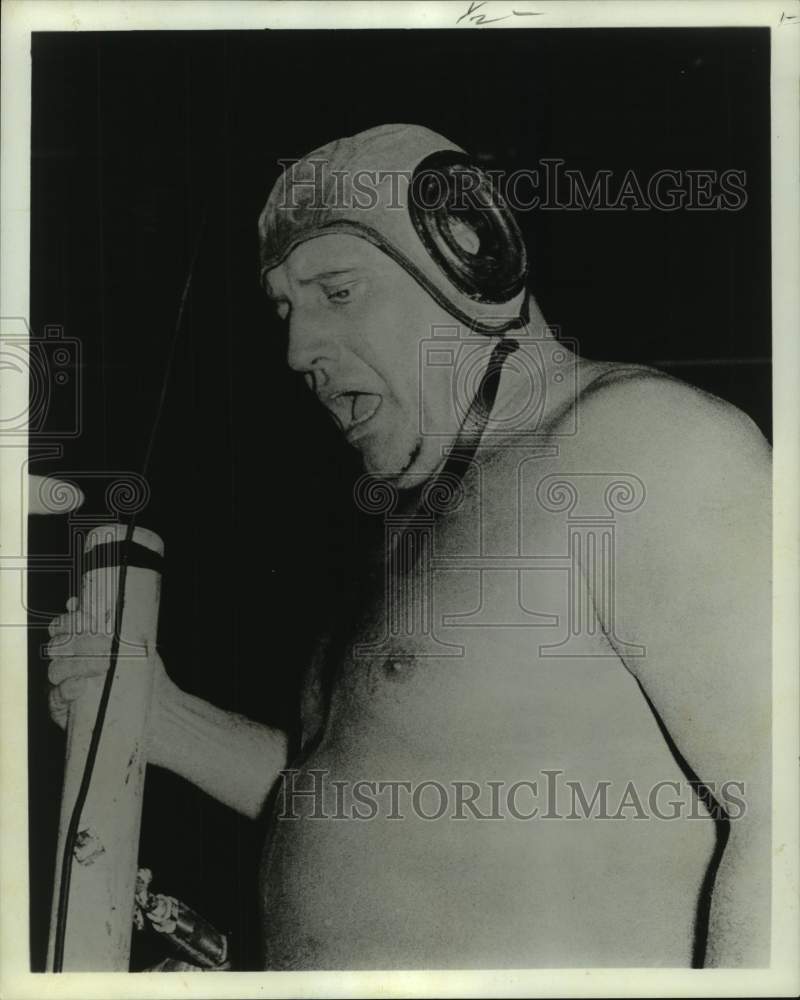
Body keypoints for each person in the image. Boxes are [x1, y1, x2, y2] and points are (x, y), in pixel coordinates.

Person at [47, 124, 771, 969]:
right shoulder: (419, 520)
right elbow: (368, 797)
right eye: (285, 307)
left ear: (472, 256)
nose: (297, 351)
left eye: (338, 291)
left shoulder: (636, 444)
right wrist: (162, 719)